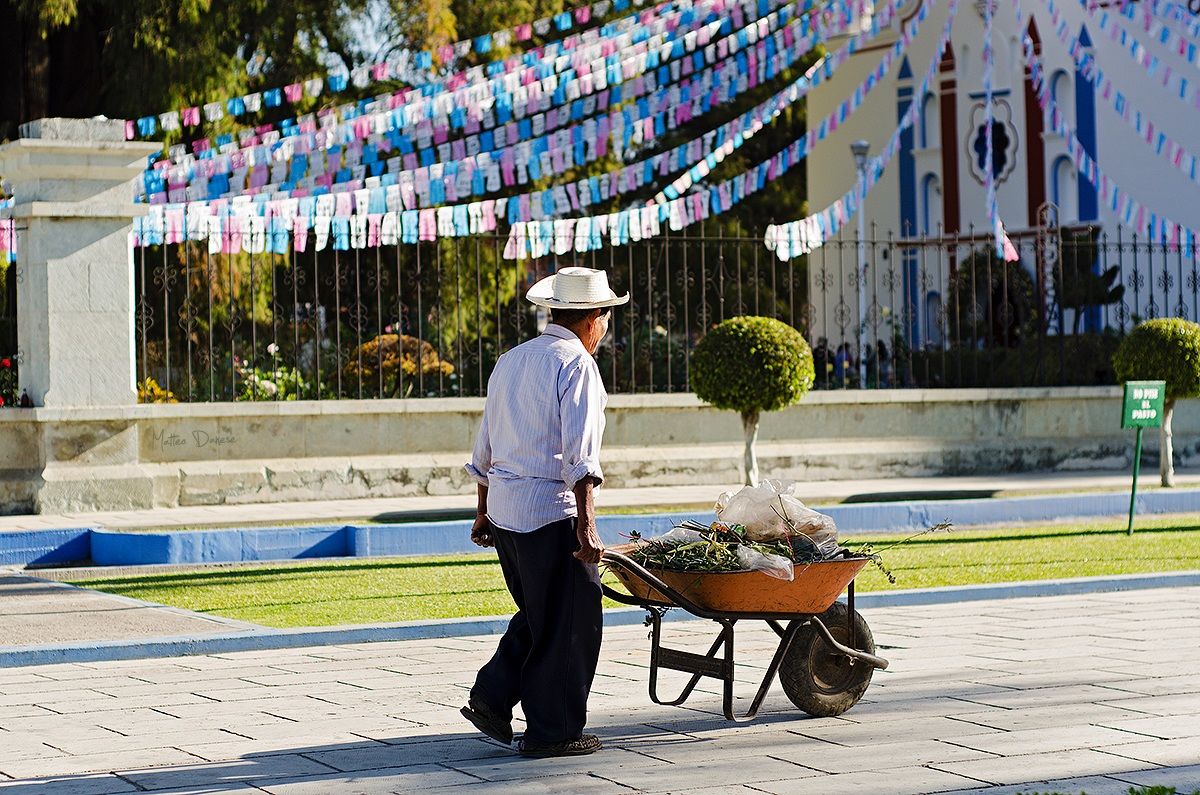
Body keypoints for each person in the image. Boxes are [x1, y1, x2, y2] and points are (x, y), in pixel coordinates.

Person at [460, 266, 627, 758]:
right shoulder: (575, 364)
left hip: (508, 511)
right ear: (592, 318)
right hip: (550, 512)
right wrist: (587, 526)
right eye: (605, 318)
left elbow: (484, 446)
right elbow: (581, 455)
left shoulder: (510, 360)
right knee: (573, 621)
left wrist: (482, 511)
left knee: (540, 613)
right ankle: (553, 731)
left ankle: (491, 697)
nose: (604, 329)